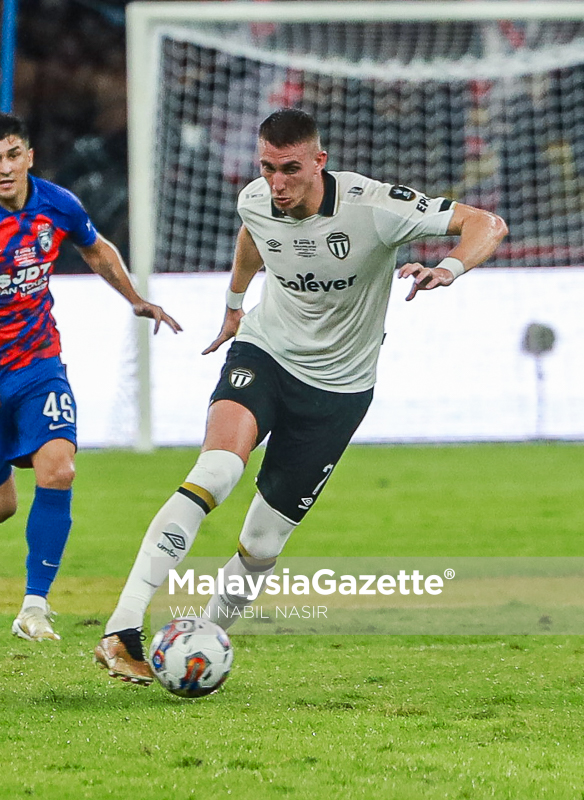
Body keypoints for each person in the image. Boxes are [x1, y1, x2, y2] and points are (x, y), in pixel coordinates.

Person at [95, 108, 507, 684]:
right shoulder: (257, 199)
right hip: (265, 354)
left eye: (290, 170)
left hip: (339, 390)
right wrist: (236, 305)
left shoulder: (376, 208)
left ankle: (201, 643)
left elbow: (487, 222)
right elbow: (252, 233)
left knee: (262, 541)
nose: (277, 185)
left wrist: (452, 268)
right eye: (267, 169)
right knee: (214, 471)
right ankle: (123, 627)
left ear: (319, 162)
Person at [0, 111, 180, 643]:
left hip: (38, 363)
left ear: (30, 155)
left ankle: (34, 607)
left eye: (13, 155)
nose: (5, 168)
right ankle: (2, 456)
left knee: (60, 469)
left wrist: (134, 299)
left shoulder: (57, 203)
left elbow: (94, 247)